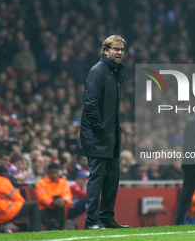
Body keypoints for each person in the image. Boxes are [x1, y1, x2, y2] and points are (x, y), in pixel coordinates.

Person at [76, 35, 130, 230]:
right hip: (98, 137)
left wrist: (113, 133)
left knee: (111, 179)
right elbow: (90, 106)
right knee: (97, 179)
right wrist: (103, 130)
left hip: (111, 137)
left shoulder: (113, 72)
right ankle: (91, 221)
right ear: (105, 51)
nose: (119, 52)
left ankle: (107, 218)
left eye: (121, 49)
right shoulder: (97, 72)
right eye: (115, 49)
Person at [0, 166, 41, 232]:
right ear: (3, 173)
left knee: (20, 215)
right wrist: (23, 205)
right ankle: (36, 231)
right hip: (5, 211)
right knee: (34, 205)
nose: (7, 175)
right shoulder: (3, 181)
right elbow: (16, 196)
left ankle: (26, 231)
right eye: (6, 173)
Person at [35, 163, 72, 230]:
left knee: (59, 199)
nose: (54, 175)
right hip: (45, 208)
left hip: (60, 208)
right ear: (48, 172)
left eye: (56, 172)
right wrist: (52, 202)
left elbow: (67, 193)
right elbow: (42, 196)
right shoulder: (41, 183)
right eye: (52, 172)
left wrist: (64, 201)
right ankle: (54, 228)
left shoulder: (63, 182)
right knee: (56, 199)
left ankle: (61, 226)